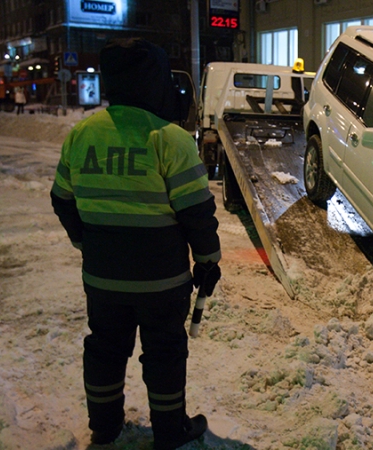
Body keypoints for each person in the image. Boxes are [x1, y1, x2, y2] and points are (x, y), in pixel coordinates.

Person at [50, 38, 221, 449]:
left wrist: (87, 242)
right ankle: (170, 431)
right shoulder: (170, 139)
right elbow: (197, 213)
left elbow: (62, 199)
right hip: (162, 280)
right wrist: (208, 261)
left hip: (103, 278)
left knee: (105, 349)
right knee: (164, 353)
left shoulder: (81, 135)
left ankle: (104, 427)